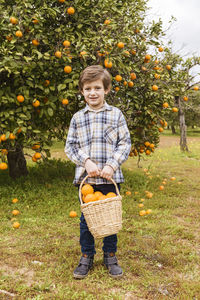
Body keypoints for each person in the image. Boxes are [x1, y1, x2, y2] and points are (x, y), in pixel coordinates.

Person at [65, 65, 131, 279]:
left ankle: (110, 255)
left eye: (97, 88)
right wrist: (86, 162)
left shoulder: (116, 115)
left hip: (110, 178)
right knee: (87, 222)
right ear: (82, 91)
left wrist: (112, 165)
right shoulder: (78, 117)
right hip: (88, 181)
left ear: (106, 90)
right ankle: (86, 256)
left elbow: (124, 143)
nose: (92, 93)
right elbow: (70, 146)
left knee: (110, 220)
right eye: (87, 89)